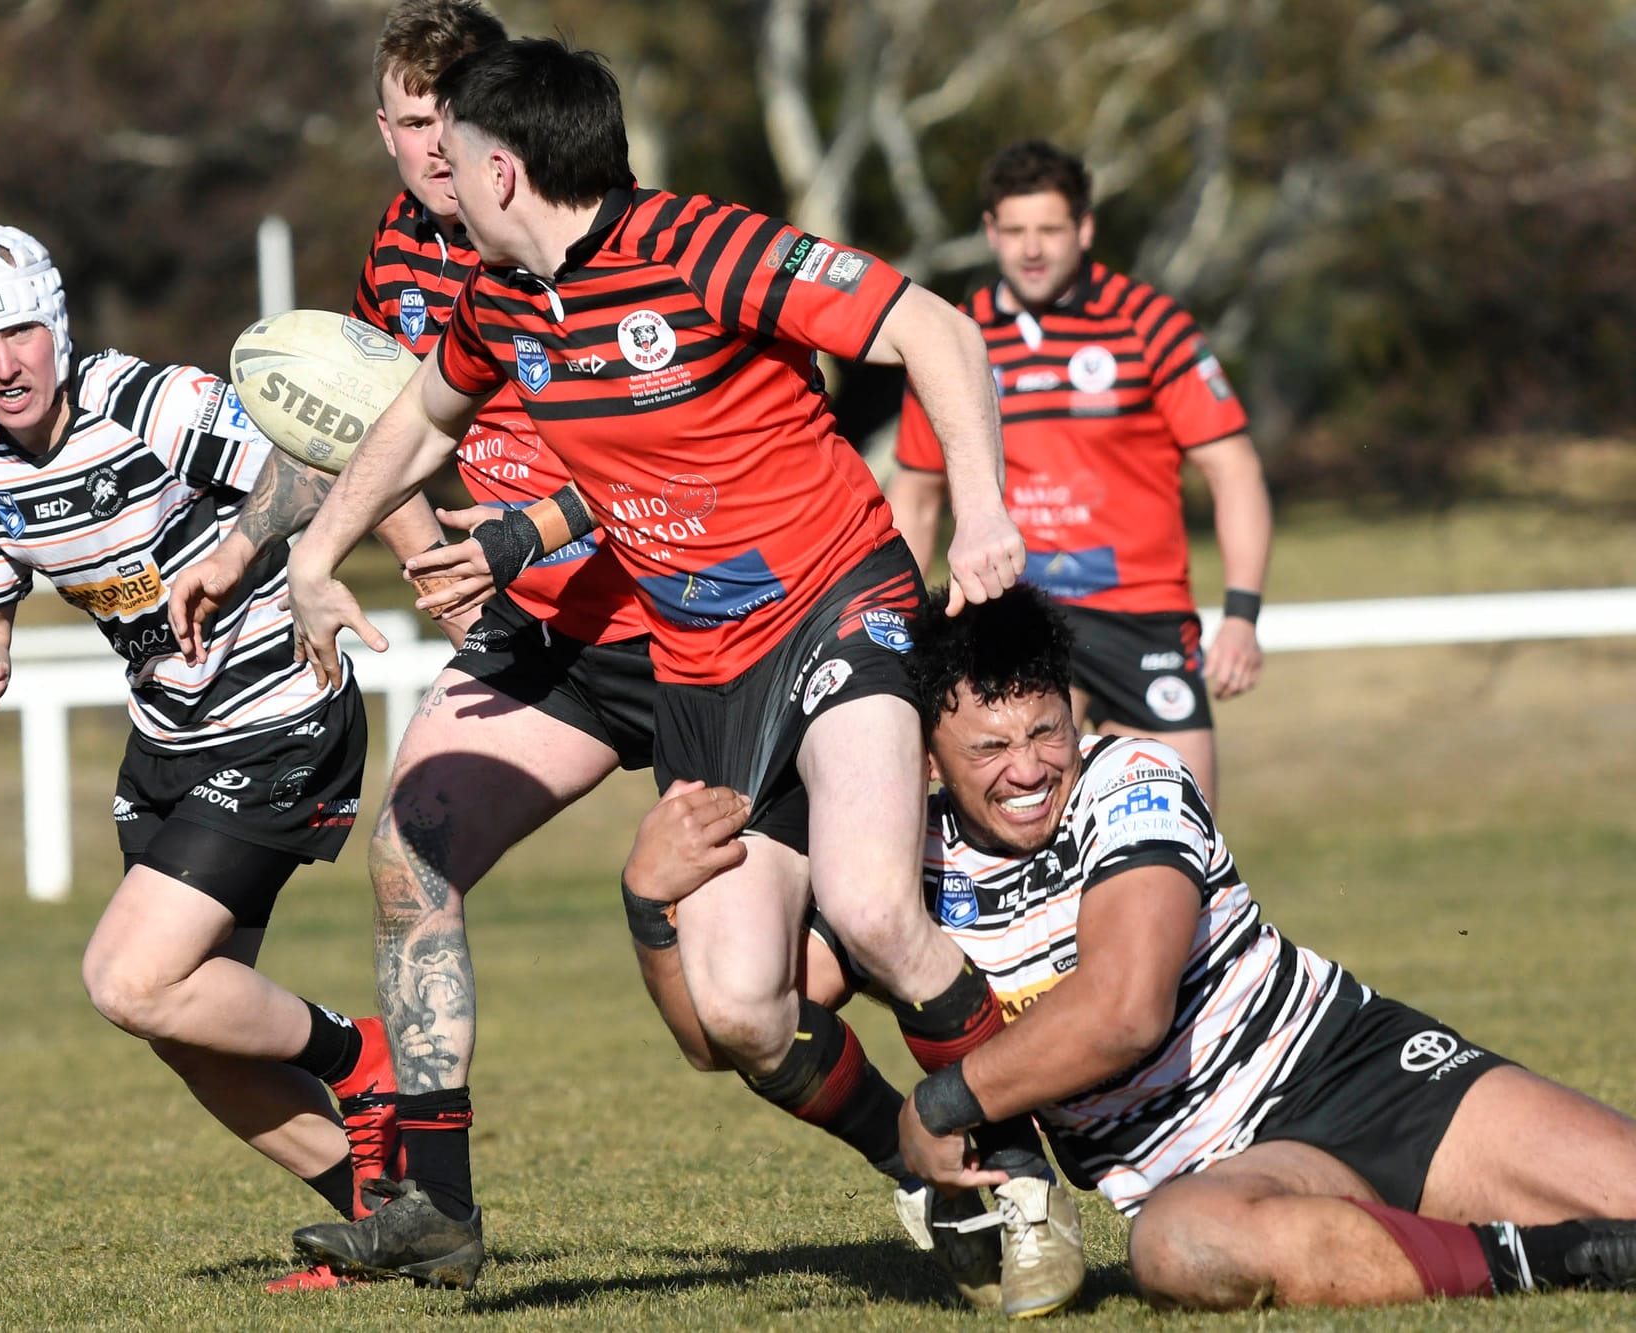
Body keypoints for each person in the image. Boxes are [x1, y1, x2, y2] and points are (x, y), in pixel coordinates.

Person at [268, 36, 1087, 1299]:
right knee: (739, 1012)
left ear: (502, 170)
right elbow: (419, 418)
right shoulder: (500, 298)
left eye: (456, 154)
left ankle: (1021, 1176)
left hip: (839, 603)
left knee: (871, 908)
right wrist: (318, 554)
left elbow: (933, 329)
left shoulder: (703, 247)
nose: (439, 176)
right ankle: (927, 1167)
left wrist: (979, 510)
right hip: (703, 667)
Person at [628, 584, 1636, 1312]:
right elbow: (736, 1028)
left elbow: (1124, 1009)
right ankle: (1562, 1260)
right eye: (990, 747)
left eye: (1046, 732)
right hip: (1210, 1175)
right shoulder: (896, 870)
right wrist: (651, 906)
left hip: (1356, 1072)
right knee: (1180, 1248)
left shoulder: (1130, 779)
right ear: (927, 754)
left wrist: (936, 1106)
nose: (1029, 769)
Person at [175, 0, 655, 1293]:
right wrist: (248, 547)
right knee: (410, 856)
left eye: (450, 119)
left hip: (679, 616)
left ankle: (967, 1118)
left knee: (770, 976)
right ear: (380, 129)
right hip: (539, 637)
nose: (433, 147)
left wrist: (510, 532)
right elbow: (356, 423)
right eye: (407, 121)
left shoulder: (583, 230)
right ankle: (436, 1207)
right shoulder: (397, 248)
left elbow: (670, 445)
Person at [0, 224, 441, 1268]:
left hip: (282, 713)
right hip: (168, 740)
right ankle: (385, 1221)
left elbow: (329, 457)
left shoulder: (149, 404)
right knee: (183, 1024)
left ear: (56, 325)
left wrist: (429, 565)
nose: (5, 364)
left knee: (129, 978)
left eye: (21, 332)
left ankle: (363, 1058)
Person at [887, 139, 1272, 805]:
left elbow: (1233, 469)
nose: (1031, 249)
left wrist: (1241, 613)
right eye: (1015, 232)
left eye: (1050, 230)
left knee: (1179, 829)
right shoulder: (956, 338)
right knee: (1014, 829)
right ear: (990, 232)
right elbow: (917, 494)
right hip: (1012, 612)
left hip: (1140, 614)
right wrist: (893, 629)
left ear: (1085, 228)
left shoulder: (1151, 325)